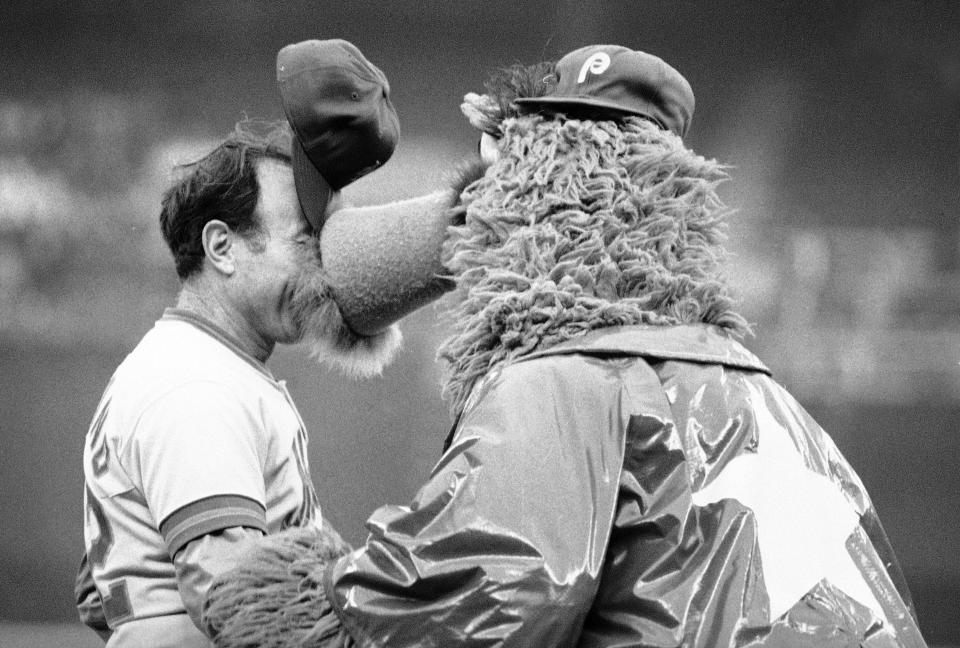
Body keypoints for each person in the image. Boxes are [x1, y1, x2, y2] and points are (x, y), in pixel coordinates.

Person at [201, 45, 928, 647]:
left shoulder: (569, 377)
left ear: (529, 191)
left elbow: (483, 593)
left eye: (491, 182)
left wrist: (298, 599)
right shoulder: (762, 395)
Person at [76, 38, 463, 647]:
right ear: (222, 248)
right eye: (303, 240)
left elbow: (100, 596)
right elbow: (234, 595)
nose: (325, 264)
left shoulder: (193, 366)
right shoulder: (196, 385)